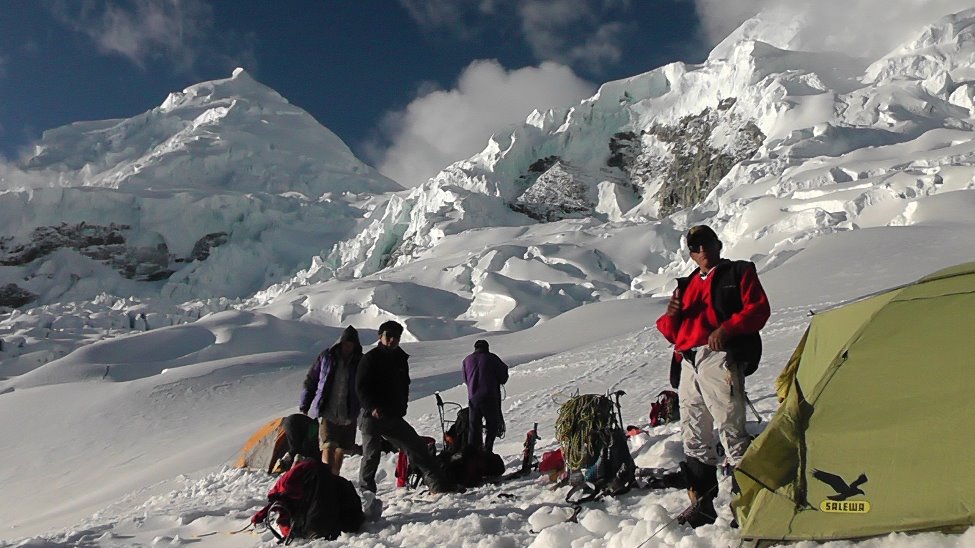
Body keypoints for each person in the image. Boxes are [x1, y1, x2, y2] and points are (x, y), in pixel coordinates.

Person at [655, 225, 770, 527]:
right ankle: (702, 505)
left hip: (717, 355)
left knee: (731, 429)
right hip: (688, 360)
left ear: (718, 244)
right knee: (693, 435)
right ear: (691, 254)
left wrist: (727, 329)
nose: (702, 251)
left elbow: (759, 310)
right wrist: (672, 315)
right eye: (695, 247)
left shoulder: (739, 273)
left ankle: (748, 506)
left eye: (706, 244)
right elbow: (670, 332)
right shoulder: (686, 285)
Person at [356, 320, 459, 494]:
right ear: (380, 337)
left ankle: (439, 486)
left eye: (396, 337)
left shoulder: (400, 358)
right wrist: (372, 406)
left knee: (417, 446)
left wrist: (400, 407)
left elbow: (403, 385)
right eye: (389, 336)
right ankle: (367, 495)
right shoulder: (370, 359)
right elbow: (361, 387)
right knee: (371, 455)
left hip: (391, 415)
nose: (392, 340)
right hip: (371, 415)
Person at [299, 325, 363, 475]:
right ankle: (326, 476)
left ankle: (334, 476)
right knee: (328, 444)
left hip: (349, 412)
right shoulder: (326, 357)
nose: (348, 347)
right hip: (328, 409)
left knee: (342, 447)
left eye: (351, 344)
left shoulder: (359, 361)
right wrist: (305, 403)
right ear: (340, 343)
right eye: (346, 343)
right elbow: (312, 380)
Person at [462, 339, 509, 454]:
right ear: (487, 348)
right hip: (490, 396)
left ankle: (472, 456)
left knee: (474, 427)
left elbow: (465, 379)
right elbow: (503, 377)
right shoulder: (492, 358)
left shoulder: (466, 360)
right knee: (492, 425)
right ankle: (487, 452)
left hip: (473, 398)